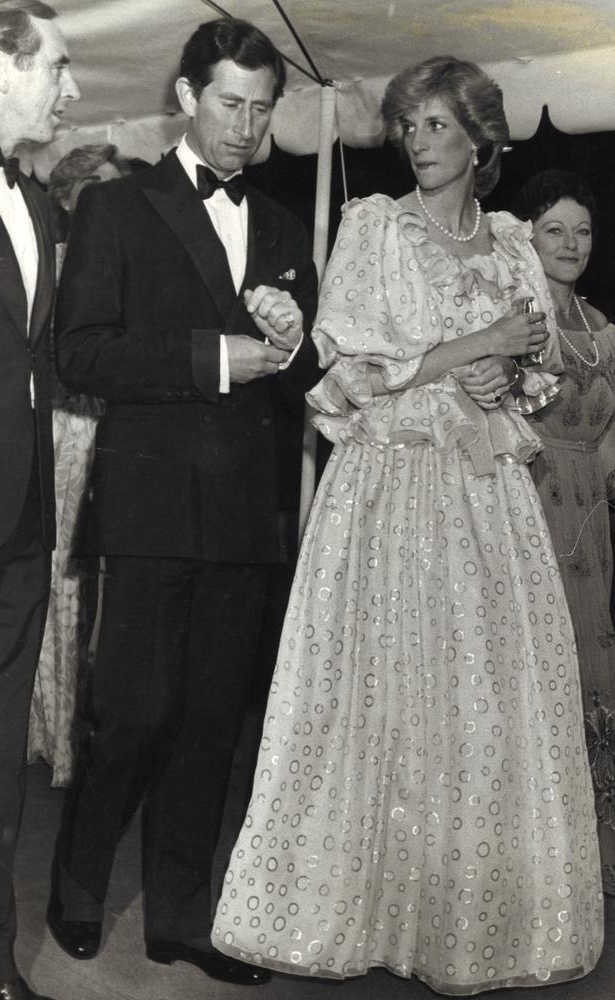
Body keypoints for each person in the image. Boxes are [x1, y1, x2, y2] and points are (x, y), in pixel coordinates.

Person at [211, 57, 604, 994]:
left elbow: (536, 371)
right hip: (389, 487)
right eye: (409, 127)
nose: (418, 144)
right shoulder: (374, 227)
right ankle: (356, 903)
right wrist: (467, 350)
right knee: (381, 687)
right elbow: (345, 363)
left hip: (489, 495)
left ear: (481, 139)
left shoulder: (513, 243)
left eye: (435, 126)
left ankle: (462, 914)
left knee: (481, 698)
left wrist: (508, 377)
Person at [46, 16, 319, 987]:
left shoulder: (285, 226)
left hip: (246, 517)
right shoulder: (121, 208)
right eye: (230, 105)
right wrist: (208, 359)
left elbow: (299, 377)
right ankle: (76, 889)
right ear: (185, 100)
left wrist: (294, 349)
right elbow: (78, 352)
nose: (246, 128)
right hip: (152, 506)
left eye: (260, 109)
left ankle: (179, 917)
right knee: (133, 714)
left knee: (210, 722)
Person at [0, 2, 79, 998]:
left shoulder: (40, 205)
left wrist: (225, 346)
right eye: (57, 68)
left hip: (20, 521)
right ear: (1, 65)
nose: (70, 89)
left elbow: (53, 355)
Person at [512, 168, 615, 895]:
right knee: (534, 669)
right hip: (529, 506)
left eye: (581, 230)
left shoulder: (603, 327)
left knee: (594, 671)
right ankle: (534, 857)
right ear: (528, 236)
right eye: (555, 229)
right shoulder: (515, 321)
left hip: (592, 521)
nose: (571, 243)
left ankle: (594, 850)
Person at [27, 144, 127, 788]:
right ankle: (49, 730)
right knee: (58, 579)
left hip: (112, 436)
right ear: (71, 196)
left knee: (97, 590)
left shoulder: (122, 266)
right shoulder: (52, 264)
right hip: (62, 436)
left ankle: (72, 731)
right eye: (103, 190)